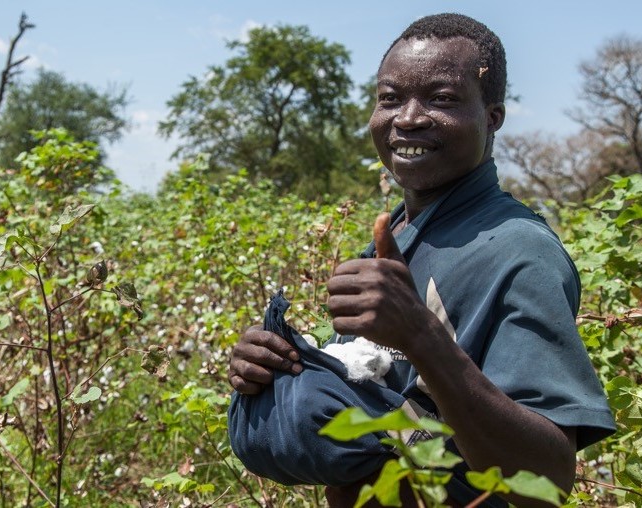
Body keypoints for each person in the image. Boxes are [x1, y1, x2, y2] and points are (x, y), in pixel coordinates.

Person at [227, 12, 615, 507]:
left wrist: (421, 336)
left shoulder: (519, 251)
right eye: (390, 98)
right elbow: (376, 392)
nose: (407, 117)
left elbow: (547, 479)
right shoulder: (394, 237)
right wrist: (277, 368)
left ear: (492, 117)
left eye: (443, 99)